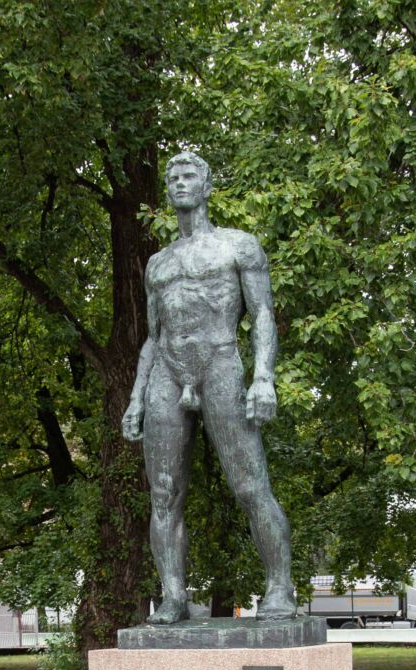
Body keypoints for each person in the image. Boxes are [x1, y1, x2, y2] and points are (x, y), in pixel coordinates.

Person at [121, 150, 296, 624]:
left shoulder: (238, 246)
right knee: (163, 493)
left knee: (248, 484)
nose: (179, 182)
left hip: (220, 362)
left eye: (189, 175)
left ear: (206, 186)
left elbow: (262, 314)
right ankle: (174, 596)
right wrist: (136, 397)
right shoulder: (158, 264)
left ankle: (280, 587)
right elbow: (153, 338)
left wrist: (263, 377)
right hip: (166, 372)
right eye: (172, 176)